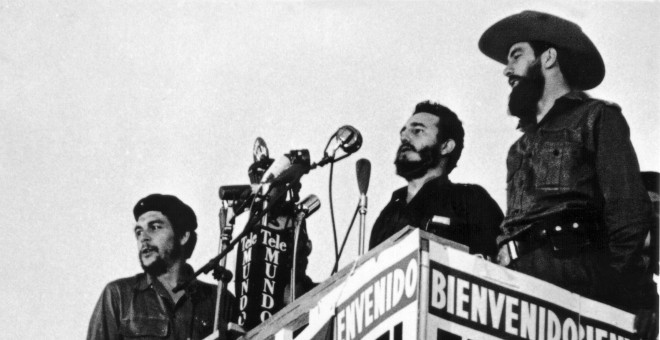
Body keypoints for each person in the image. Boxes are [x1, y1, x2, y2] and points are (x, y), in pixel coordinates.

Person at [478, 10, 657, 331]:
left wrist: (611, 292)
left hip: (574, 277)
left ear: (548, 57)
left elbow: (629, 211)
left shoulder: (597, 117)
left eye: (516, 55)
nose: (507, 69)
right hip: (516, 283)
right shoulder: (518, 148)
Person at [368, 101, 503, 260]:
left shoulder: (471, 199)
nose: (405, 138)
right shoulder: (389, 213)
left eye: (417, 131)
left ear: (445, 146)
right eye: (403, 134)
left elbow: (498, 268)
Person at [87, 194, 228, 340]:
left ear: (183, 236)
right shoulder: (118, 295)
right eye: (139, 232)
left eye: (154, 227)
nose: (143, 238)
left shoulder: (219, 299)